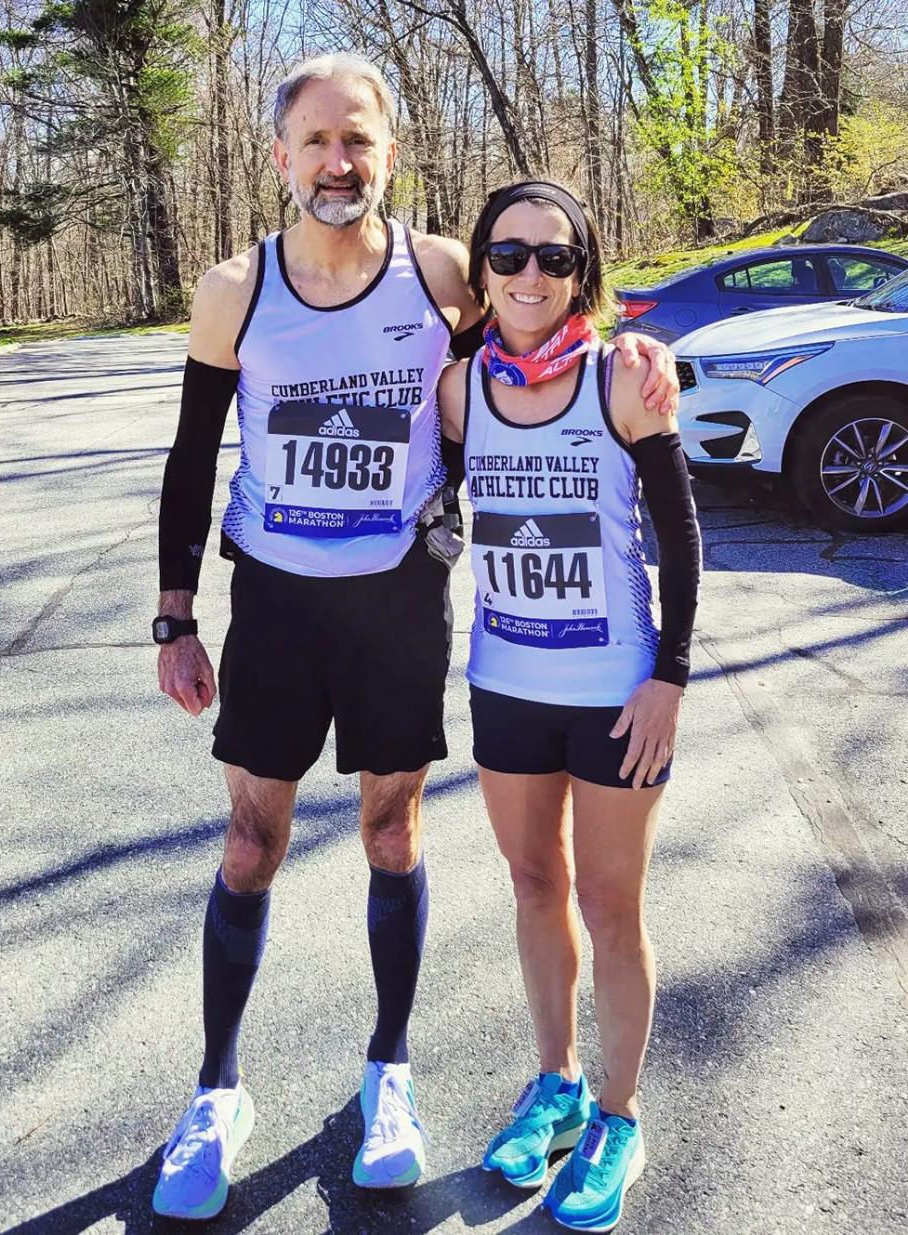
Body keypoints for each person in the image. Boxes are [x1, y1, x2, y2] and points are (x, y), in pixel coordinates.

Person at [151, 53, 680, 1221]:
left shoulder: (445, 270)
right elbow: (193, 458)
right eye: (316, 141)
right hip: (277, 606)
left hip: (397, 605)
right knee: (250, 841)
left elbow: (545, 322)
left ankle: (390, 1074)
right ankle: (216, 1090)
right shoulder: (234, 287)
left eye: (360, 140)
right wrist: (176, 615)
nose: (338, 162)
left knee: (394, 832)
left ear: (391, 153)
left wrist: (635, 347)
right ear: (279, 154)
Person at [437, 181, 701, 1231]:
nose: (531, 275)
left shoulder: (624, 379)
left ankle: (619, 1115)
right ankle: (554, 1082)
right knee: (534, 880)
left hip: (615, 691)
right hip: (505, 681)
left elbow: (678, 536)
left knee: (609, 903)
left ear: (583, 272)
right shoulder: (458, 389)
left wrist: (670, 675)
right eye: (508, 256)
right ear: (483, 270)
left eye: (554, 257)